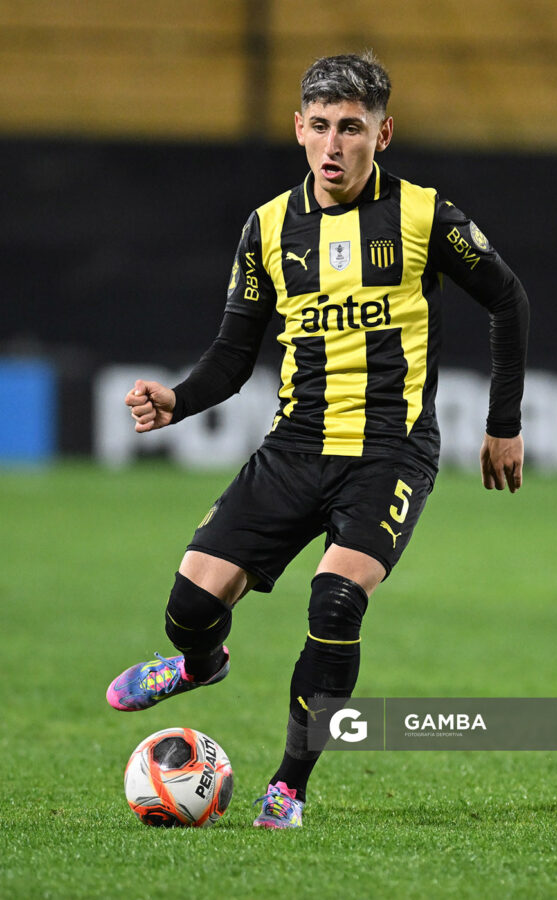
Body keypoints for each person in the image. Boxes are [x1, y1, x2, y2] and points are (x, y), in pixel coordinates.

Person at [106, 52, 529, 829]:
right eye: (322, 127)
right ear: (299, 129)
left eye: (353, 129)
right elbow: (234, 358)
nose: (335, 145)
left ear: (383, 133)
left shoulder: (424, 216)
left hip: (389, 452)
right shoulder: (267, 228)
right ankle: (200, 666)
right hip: (292, 448)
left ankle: (290, 786)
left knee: (336, 601)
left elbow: (508, 299)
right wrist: (178, 399)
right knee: (189, 607)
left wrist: (504, 424)